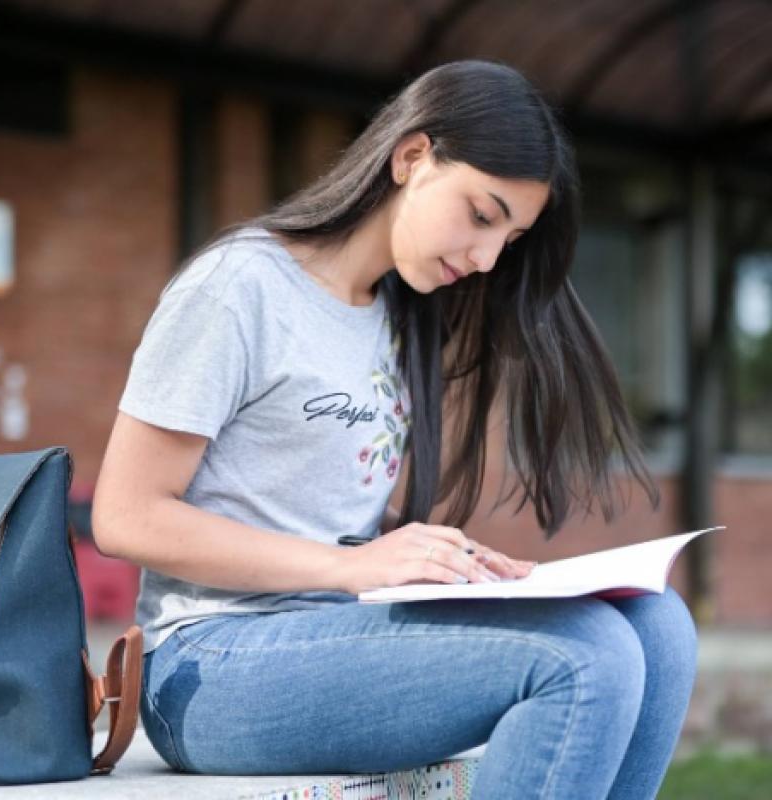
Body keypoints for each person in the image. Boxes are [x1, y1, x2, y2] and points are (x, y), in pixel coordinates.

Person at [92, 59, 698, 799]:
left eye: (509, 239)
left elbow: (314, 518)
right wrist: (352, 567)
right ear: (413, 156)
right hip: (207, 664)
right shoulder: (239, 287)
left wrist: (445, 561)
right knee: (586, 656)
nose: (486, 258)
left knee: (659, 625)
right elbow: (126, 516)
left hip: (336, 630)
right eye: (483, 216)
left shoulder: (393, 314)